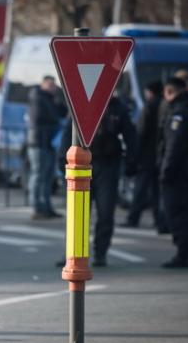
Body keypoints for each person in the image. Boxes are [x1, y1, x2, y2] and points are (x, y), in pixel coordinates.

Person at [59, 96, 136, 266]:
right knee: (77, 213)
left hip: (108, 165)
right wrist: (62, 160)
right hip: (82, 164)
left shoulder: (117, 107)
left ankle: (100, 253)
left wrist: (132, 161)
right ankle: (72, 254)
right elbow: (68, 132)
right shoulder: (81, 103)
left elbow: (130, 134)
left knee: (105, 213)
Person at [159, 77, 188, 268]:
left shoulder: (179, 112)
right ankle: (184, 253)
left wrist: (166, 170)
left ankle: (183, 254)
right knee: (182, 212)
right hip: (185, 169)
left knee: (177, 212)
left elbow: (174, 145)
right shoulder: (186, 107)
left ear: (169, 91)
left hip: (177, 171)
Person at [125, 81, 166, 232]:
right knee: (156, 191)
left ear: (150, 92)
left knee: (140, 190)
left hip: (147, 156)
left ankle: (133, 218)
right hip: (160, 156)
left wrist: (135, 155)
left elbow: (140, 132)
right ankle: (159, 220)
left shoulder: (149, 106)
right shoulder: (165, 105)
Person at [27, 75, 68, 219]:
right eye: (50, 84)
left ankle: (46, 207)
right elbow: (42, 116)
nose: (52, 87)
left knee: (48, 176)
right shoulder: (37, 97)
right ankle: (36, 207)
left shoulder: (51, 98)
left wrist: (59, 97)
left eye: (54, 85)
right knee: (38, 175)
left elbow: (64, 112)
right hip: (38, 142)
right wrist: (56, 119)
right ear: (42, 84)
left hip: (48, 142)